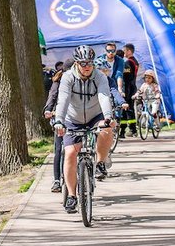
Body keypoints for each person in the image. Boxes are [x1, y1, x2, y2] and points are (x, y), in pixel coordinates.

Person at [53, 46, 115, 214]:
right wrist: (59, 120)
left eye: (89, 63)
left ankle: (101, 162)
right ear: (77, 63)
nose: (87, 66)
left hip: (95, 115)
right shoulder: (68, 77)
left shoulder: (100, 77)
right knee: (70, 154)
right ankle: (72, 196)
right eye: (82, 63)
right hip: (72, 118)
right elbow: (63, 99)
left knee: (108, 128)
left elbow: (104, 96)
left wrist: (107, 117)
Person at [44, 60, 70, 193]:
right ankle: (56, 180)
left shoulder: (80, 81)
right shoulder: (58, 82)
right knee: (59, 149)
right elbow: (52, 96)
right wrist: (48, 109)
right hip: (60, 116)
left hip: (76, 118)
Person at [119, 43, 139, 138]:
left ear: (129, 51)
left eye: (124, 51)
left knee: (125, 110)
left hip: (127, 89)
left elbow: (125, 78)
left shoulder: (128, 63)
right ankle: (133, 129)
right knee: (130, 110)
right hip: (132, 88)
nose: (124, 53)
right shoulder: (135, 61)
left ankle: (124, 131)